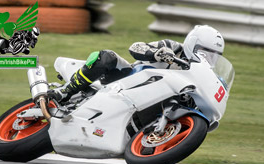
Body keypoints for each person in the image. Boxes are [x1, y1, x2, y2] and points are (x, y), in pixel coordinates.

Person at [48, 25, 225, 104]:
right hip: (128, 80)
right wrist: (156, 53)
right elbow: (135, 47)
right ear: (192, 44)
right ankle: (65, 91)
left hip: (151, 100)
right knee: (107, 56)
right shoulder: (173, 47)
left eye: (215, 56)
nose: (209, 58)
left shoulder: (204, 74)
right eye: (205, 52)